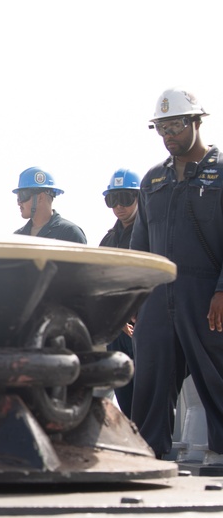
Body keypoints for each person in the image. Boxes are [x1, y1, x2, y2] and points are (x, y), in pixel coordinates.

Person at [130, 87, 223, 464]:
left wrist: (222, 290)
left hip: (206, 293)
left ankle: (220, 452)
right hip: (158, 294)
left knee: (215, 373)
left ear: (196, 122)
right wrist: (132, 294)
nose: (169, 136)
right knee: (150, 375)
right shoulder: (153, 180)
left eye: (176, 126)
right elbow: (140, 246)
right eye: (162, 129)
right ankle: (149, 453)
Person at [98, 169, 141, 418]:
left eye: (125, 198)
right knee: (123, 387)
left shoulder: (150, 236)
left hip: (145, 325)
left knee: (149, 388)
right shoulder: (109, 240)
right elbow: (101, 284)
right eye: (112, 200)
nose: (119, 206)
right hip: (118, 328)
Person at [12, 167, 87, 243]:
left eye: (22, 196)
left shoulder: (69, 234)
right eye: (18, 198)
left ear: (40, 197)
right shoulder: (18, 237)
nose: (19, 203)